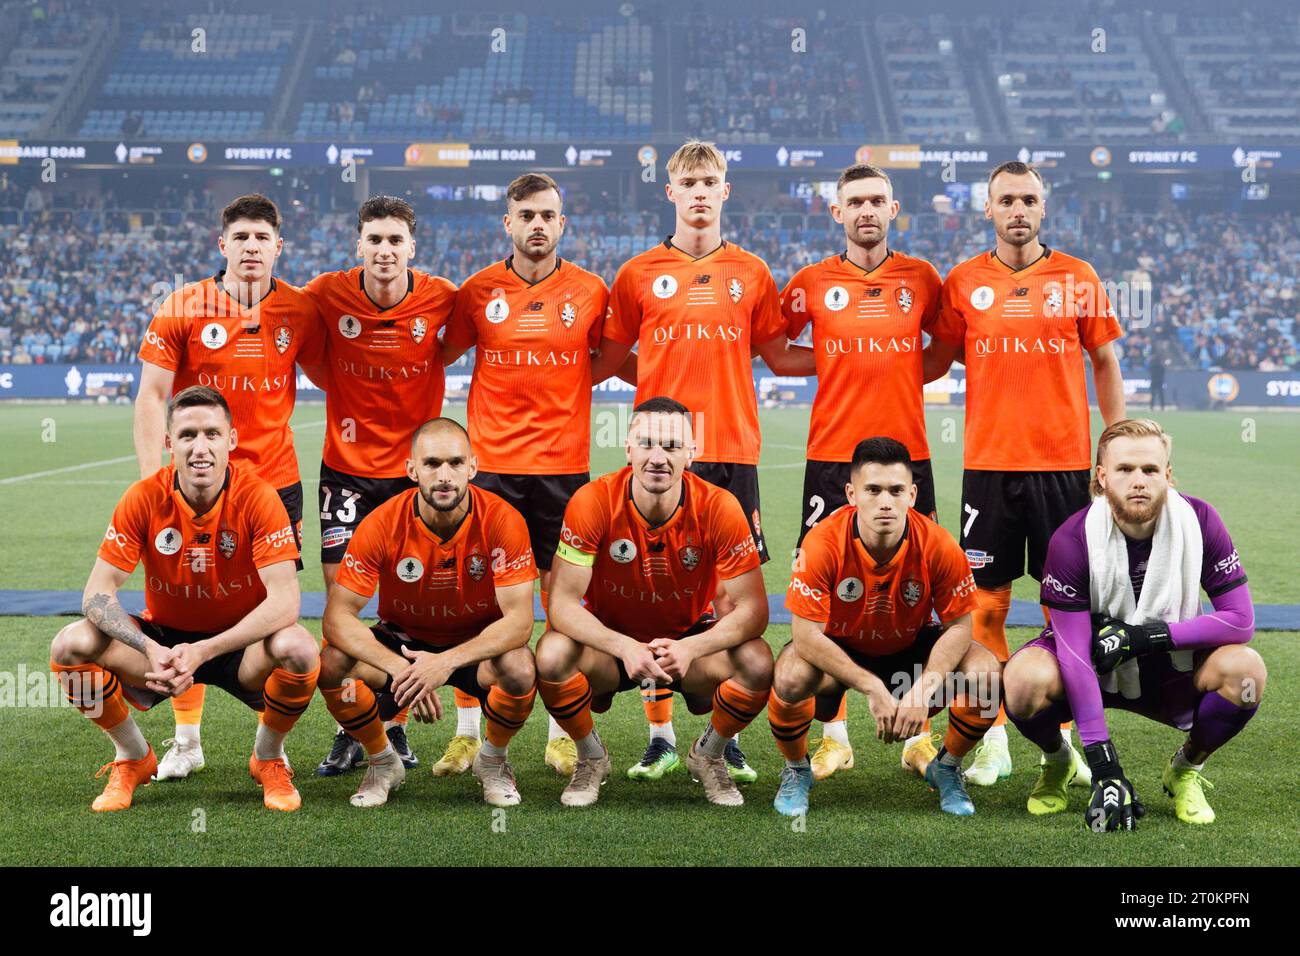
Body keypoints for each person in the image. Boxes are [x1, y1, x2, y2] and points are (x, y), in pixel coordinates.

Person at [593, 140, 803, 783]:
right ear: (671, 192)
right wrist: (651, 384)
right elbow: (606, 358)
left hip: (732, 451)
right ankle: (658, 736)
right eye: (690, 183)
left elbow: (781, 356)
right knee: (653, 592)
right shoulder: (636, 274)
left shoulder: (754, 273)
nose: (702, 192)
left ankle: (721, 735)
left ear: (726, 190)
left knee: (725, 603)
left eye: (712, 181)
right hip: (659, 451)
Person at [926, 160, 1126, 786]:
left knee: (1065, 608)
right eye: (1006, 199)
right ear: (988, 209)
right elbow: (932, 362)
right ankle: (991, 739)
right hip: (988, 468)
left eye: (1028, 199)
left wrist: (1113, 446)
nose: (1018, 209)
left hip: (1064, 469)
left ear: (1044, 209)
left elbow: (1105, 361)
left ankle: (1064, 736)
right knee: (983, 607)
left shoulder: (1078, 277)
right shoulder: (962, 283)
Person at [51, 387, 319, 812]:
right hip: (164, 647)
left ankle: (267, 758)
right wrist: (150, 647)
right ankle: (133, 757)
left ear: (231, 441)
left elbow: (286, 602)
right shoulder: (143, 497)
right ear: (168, 442)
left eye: (212, 434)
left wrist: (205, 651)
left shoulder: (259, 497)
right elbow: (97, 594)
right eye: (188, 435)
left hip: (236, 646)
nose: (200, 448)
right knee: (69, 646)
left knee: (300, 648)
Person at [437, 171, 624, 779]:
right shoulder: (476, 291)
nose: (537, 225)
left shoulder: (591, 290)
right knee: (480, 602)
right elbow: (435, 359)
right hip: (490, 470)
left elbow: (613, 361)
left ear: (561, 224)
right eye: (527, 215)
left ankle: (562, 733)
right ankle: (470, 733)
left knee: (562, 601)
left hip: (564, 472)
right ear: (508, 224)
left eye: (548, 215)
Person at [133, 193, 324, 781]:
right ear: (223, 245)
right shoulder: (184, 304)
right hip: (192, 489)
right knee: (183, 604)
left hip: (275, 486)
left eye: (262, 238)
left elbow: (334, 368)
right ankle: (186, 740)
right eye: (240, 237)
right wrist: (153, 484)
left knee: (271, 613)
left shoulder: (301, 309)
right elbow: (151, 396)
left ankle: (270, 748)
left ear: (278, 247)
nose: (251, 248)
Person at [1004, 419, 1263, 829]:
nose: (1138, 481)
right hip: (1093, 660)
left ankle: (1184, 770)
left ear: (1168, 475)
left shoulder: (1200, 521)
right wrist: (1104, 765)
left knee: (1247, 674)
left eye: (1150, 470)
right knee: (1021, 682)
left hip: (1170, 663)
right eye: (1124, 470)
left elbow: (1240, 620)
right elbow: (1072, 653)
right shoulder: (1071, 540)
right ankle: (1059, 762)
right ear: (1102, 477)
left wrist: (1145, 637)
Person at [779, 162, 949, 782]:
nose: (867, 210)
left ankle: (919, 733)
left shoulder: (923, 279)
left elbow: (946, 347)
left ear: (894, 209)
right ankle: (834, 737)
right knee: (827, 596)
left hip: (909, 461)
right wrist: (834, 361)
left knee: (919, 593)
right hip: (831, 458)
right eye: (855, 202)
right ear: (837, 213)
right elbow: (774, 349)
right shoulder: (811, 282)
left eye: (878, 200)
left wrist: (901, 370)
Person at [536, 398, 773, 807]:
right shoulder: (592, 501)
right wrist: (624, 647)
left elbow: (754, 611)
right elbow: (561, 604)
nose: (658, 457)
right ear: (628, 448)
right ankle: (592, 759)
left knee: (757, 662)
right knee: (552, 653)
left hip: (686, 645)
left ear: (691, 453)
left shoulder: (719, 506)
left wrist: (692, 647)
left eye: (671, 445)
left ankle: (709, 756)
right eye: (646, 444)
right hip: (612, 647)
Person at [304, 195, 458, 775]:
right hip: (345, 472)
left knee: (408, 606)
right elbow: (301, 344)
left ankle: (391, 724)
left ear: (412, 248)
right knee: (342, 609)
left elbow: (463, 347)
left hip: (414, 478)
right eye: (375, 240)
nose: (385, 250)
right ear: (358, 245)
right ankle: (355, 730)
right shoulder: (325, 293)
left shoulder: (442, 297)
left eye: (396, 241)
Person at [317, 419, 539, 808]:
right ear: (411, 469)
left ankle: (492, 760)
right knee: (334, 662)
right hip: (404, 644)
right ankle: (382, 761)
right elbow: (337, 618)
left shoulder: (503, 520)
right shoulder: (383, 522)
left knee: (520, 667)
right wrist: (406, 671)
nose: (444, 476)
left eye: (455, 463)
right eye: (432, 463)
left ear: (472, 467)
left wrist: (444, 663)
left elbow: (520, 622)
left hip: (475, 644)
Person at [771, 437, 997, 817]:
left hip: (911, 648)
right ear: (851, 493)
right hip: (843, 650)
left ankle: (947, 768)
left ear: (912, 494)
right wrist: (872, 686)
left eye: (895, 490)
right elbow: (805, 634)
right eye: (872, 490)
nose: (885, 502)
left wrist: (924, 689)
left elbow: (960, 626)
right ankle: (796, 771)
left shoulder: (938, 544)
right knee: (791, 674)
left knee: (986, 674)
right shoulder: (823, 541)